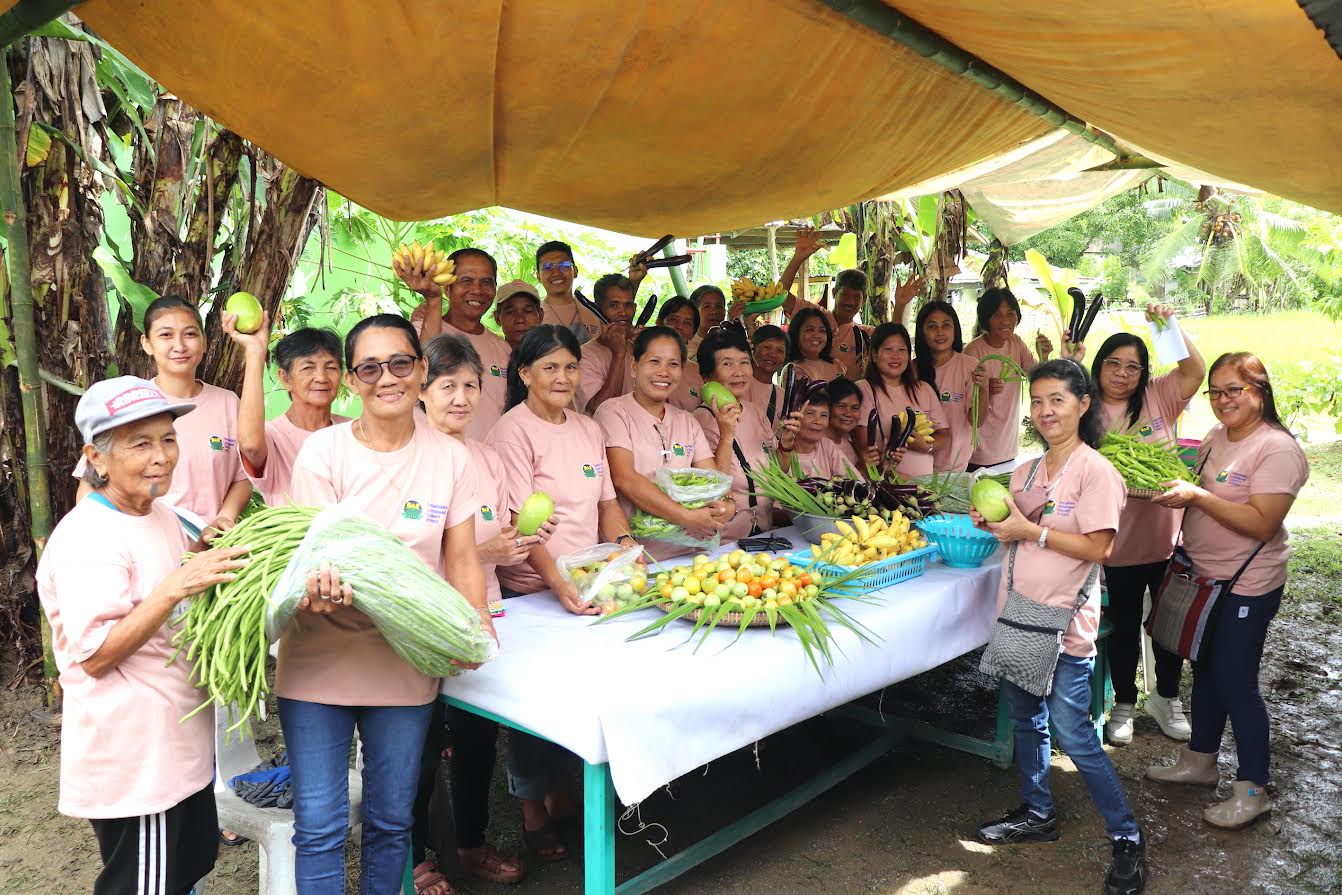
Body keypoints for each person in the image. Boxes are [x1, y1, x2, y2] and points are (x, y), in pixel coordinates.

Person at [280, 314, 491, 895]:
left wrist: (474, 627)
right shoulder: (322, 453)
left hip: (405, 662)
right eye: (369, 368)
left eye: (400, 363)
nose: (387, 378)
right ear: (352, 381)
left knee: (391, 822)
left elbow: (464, 558)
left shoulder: (451, 459)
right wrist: (318, 593)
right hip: (320, 660)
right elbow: (320, 555)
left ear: (421, 370)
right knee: (319, 827)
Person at [38, 376, 250, 895]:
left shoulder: (161, 515)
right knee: (144, 885)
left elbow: (181, 595)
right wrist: (174, 588)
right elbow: (94, 655)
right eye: (140, 443)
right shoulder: (89, 538)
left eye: (168, 439)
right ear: (98, 458)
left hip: (178, 746)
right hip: (140, 762)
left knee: (187, 865)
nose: (161, 457)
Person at [971, 359, 1147, 895]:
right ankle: (1038, 812)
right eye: (1039, 401)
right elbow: (1015, 529)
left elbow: (1099, 547)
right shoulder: (1027, 470)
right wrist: (995, 523)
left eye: (1058, 401)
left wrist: (1032, 531)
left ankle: (1127, 837)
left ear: (1083, 404)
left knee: (1073, 732)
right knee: (1026, 718)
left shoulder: (1097, 473)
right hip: (1022, 616)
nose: (1046, 411)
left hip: (1064, 624)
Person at [412, 335, 559, 892]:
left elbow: (501, 526)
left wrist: (523, 534)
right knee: (420, 748)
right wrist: (483, 550)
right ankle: (419, 856)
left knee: (476, 741)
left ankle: (471, 845)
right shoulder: (410, 454)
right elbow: (405, 555)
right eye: (447, 385)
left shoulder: (487, 456)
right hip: (423, 623)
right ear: (422, 391)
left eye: (471, 385)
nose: (461, 397)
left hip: (484, 616)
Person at [486, 324, 635, 860]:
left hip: (586, 581)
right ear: (523, 374)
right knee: (534, 705)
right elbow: (520, 524)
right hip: (533, 590)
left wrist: (624, 547)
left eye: (570, 366)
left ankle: (566, 790)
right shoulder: (512, 432)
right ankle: (531, 812)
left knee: (585, 691)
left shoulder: (587, 427)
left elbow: (605, 502)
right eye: (549, 367)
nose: (563, 377)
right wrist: (558, 583)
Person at [1146, 352, 1308, 831]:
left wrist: (1198, 497)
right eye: (1215, 391)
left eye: (1234, 389)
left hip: (1247, 585)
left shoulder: (1276, 449)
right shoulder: (1217, 436)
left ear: (1260, 389)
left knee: (1237, 681)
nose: (1222, 400)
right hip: (1206, 579)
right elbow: (1203, 489)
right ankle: (1200, 762)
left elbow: (1263, 524)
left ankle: (1252, 789)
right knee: (1208, 672)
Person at [1089, 305, 1206, 746]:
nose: (1121, 373)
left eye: (1132, 366)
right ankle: (1123, 703)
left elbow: (1195, 369)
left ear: (1144, 373)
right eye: (1113, 364)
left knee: (1167, 626)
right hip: (1115, 543)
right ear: (1099, 367)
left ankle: (1167, 698)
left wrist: (1168, 325)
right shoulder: (1087, 409)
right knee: (1121, 626)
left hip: (1165, 539)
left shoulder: (1160, 397)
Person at [75, 296, 252, 538]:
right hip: (142, 546)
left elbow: (242, 477)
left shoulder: (228, 403)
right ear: (146, 343)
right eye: (166, 335)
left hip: (209, 550)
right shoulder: (132, 402)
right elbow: (90, 485)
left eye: (190, 334)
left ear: (204, 341)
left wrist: (224, 517)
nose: (179, 346)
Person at [595, 326, 736, 560]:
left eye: (673, 364)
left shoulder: (686, 421)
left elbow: (714, 482)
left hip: (688, 555)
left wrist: (727, 506)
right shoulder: (613, 412)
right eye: (654, 362)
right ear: (633, 366)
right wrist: (686, 517)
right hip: (634, 558)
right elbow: (624, 478)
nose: (664, 372)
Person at [224, 313, 347, 505]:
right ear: (285, 378)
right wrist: (255, 352)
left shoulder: (353, 431)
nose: (321, 377)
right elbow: (250, 445)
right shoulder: (273, 436)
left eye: (331, 367)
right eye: (308, 368)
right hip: (295, 535)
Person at [399, 247, 512, 440]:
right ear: (447, 287)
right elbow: (422, 374)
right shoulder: (419, 330)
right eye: (466, 281)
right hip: (436, 458)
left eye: (486, 282)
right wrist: (433, 300)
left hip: (488, 460)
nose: (477, 290)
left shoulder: (503, 347)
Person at [779, 228, 924, 378]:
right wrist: (798, 257)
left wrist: (900, 305)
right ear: (834, 293)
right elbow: (781, 296)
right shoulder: (814, 316)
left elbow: (892, 340)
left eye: (856, 297)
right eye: (845, 295)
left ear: (864, 300)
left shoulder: (864, 335)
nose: (850, 302)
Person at [692, 322, 778, 540]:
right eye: (727, 364)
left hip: (762, 535)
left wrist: (787, 446)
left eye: (744, 362)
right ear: (707, 376)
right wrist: (726, 434)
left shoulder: (756, 413)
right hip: (725, 542)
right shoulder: (698, 422)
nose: (739, 372)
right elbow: (714, 488)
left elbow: (776, 471)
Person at [963, 287, 1054, 470]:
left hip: (1008, 450)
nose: (1005, 321)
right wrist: (985, 389)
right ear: (985, 318)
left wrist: (1044, 356)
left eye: (1010, 314)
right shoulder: (973, 352)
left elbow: (1039, 381)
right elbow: (965, 406)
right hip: (978, 454)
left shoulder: (1016, 344)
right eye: (997, 315)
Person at [854, 323, 947, 479]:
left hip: (924, 485)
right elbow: (865, 448)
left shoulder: (924, 389)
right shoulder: (864, 389)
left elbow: (945, 433)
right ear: (874, 355)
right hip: (887, 485)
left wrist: (926, 447)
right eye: (888, 349)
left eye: (902, 350)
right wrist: (897, 477)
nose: (895, 356)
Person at [913, 301, 988, 473]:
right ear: (922, 333)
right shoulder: (911, 369)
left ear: (955, 330)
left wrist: (984, 389)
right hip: (916, 466)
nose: (940, 332)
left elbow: (977, 420)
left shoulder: (970, 366)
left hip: (955, 468)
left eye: (946, 325)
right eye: (932, 326)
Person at [577, 273, 638, 412]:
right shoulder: (583, 355)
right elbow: (602, 409)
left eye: (628, 305)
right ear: (597, 309)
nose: (623, 312)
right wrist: (619, 354)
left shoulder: (640, 349)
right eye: (614, 305)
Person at [776, 388, 852, 479]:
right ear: (795, 416)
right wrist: (786, 446)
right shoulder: (777, 446)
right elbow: (775, 476)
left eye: (823, 415)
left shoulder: (828, 446)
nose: (818, 421)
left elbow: (854, 481)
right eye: (810, 413)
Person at [536, 240, 602, 345]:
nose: (556, 272)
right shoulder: (533, 316)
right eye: (547, 267)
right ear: (538, 276)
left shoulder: (595, 312)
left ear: (575, 271)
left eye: (564, 265)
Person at [656, 296, 705, 411]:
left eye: (687, 323)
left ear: (693, 333)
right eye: (673, 320)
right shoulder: (642, 362)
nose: (679, 326)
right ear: (659, 323)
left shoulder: (697, 372)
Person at [786, 306, 844, 383]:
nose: (817, 335)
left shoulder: (836, 364)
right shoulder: (793, 369)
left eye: (822, 331)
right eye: (810, 330)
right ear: (796, 333)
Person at [823, 377, 865, 470]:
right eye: (842, 406)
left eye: (855, 408)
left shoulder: (848, 443)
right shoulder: (817, 444)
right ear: (827, 408)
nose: (848, 413)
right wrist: (862, 467)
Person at [749, 324, 787, 417]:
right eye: (767, 347)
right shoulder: (737, 385)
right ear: (753, 349)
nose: (773, 354)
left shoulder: (783, 397)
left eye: (780, 351)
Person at [494, 280, 544, 351]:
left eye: (528, 311)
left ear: (540, 315)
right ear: (497, 317)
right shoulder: (487, 358)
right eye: (510, 312)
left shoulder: (555, 357)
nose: (520, 320)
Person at [687, 284, 727, 354]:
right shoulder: (686, 346)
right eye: (707, 306)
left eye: (719, 306)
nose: (714, 312)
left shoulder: (731, 341)